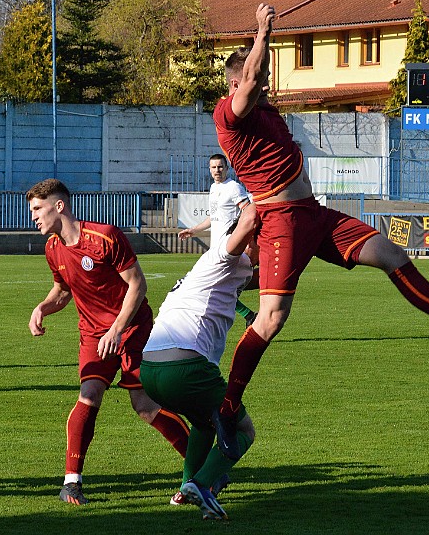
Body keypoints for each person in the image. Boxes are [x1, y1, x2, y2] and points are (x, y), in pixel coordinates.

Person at [210, 3, 429, 458]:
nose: (266, 87)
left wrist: (263, 48)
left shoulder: (265, 109)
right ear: (236, 85)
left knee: (391, 254)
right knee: (271, 320)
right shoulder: (230, 114)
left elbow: (258, 77)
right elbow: (252, 77)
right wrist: (261, 30)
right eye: (258, 82)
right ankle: (228, 408)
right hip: (281, 223)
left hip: (313, 215)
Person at [27, 178, 190, 506]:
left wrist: (117, 329)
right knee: (88, 396)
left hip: (132, 329)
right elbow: (62, 291)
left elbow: (137, 285)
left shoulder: (105, 237)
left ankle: (200, 463)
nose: (33, 216)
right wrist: (42, 308)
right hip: (93, 334)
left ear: (59, 206)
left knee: (143, 406)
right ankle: (72, 482)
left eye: (37, 209)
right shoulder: (53, 248)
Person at [142, 213, 258, 521]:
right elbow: (248, 224)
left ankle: (184, 490)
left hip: (151, 370)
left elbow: (262, 277)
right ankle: (201, 484)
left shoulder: (223, 268)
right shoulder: (224, 255)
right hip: (186, 367)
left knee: (204, 423)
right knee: (244, 429)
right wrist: (265, 193)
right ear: (249, 240)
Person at [178, 153, 258, 325]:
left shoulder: (233, 188)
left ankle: (249, 312)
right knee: (219, 289)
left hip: (228, 249)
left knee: (211, 288)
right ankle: (250, 314)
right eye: (214, 167)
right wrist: (194, 230)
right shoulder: (214, 189)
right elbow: (212, 217)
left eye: (220, 167)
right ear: (209, 169)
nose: (217, 170)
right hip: (216, 249)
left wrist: (242, 239)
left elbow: (248, 211)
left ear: (227, 168)